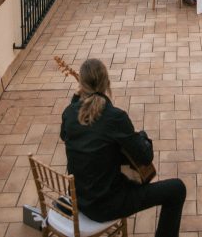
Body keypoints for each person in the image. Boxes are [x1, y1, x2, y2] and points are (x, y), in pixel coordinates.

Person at [60, 58, 186, 237]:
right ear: (107, 84)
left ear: (81, 85)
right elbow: (145, 157)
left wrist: (76, 98)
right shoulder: (115, 117)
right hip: (106, 205)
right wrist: (142, 136)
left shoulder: (69, 113)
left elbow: (64, 135)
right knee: (177, 189)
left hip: (78, 199)